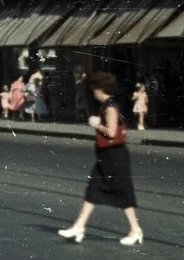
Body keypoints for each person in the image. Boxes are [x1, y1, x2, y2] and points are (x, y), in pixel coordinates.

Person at [56, 72, 143, 246]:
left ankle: (135, 230)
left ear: (101, 89)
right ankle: (79, 226)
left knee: (123, 191)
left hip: (114, 155)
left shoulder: (110, 107)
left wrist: (97, 124)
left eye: (94, 88)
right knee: (93, 189)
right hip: (107, 155)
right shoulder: (106, 105)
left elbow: (111, 132)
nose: (93, 92)